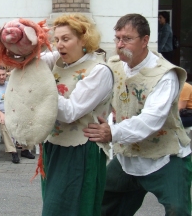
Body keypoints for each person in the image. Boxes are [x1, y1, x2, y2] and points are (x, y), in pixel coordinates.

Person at [83, 13, 191, 216]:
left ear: (145, 40)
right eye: (118, 38)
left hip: (165, 156)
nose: (120, 44)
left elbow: (151, 120)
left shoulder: (165, 75)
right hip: (128, 156)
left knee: (179, 210)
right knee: (101, 203)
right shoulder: (113, 66)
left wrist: (112, 133)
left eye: (127, 39)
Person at [30, 14, 113, 215]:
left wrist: (43, 84)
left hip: (81, 151)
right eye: (57, 40)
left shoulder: (99, 71)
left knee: (71, 209)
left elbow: (70, 112)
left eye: (66, 39)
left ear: (83, 39)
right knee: (54, 207)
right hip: (53, 146)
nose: (59, 45)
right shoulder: (58, 61)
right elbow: (30, 62)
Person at [0, 66, 36, 164]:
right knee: (4, 122)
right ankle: (13, 151)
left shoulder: (10, 85)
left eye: (3, 74)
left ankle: (25, 149)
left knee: (27, 119)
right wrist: (1, 114)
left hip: (13, 112)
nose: (1, 77)